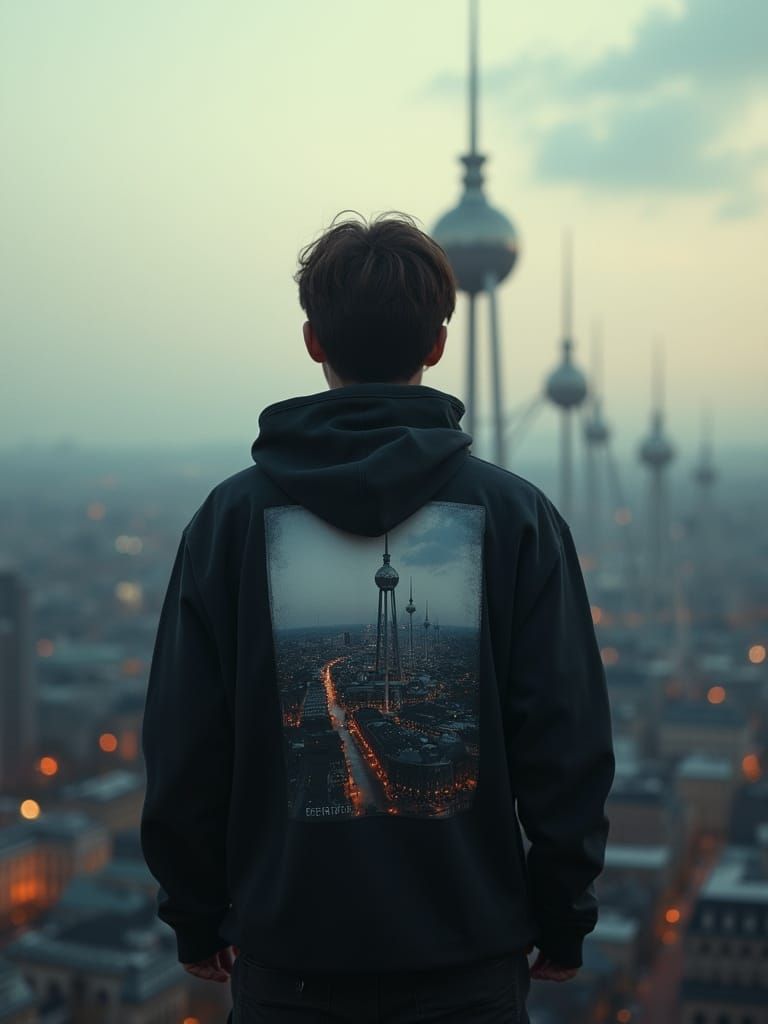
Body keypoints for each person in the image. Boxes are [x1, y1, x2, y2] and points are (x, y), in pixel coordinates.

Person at [140, 212, 616, 1023]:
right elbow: (566, 741)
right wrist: (563, 915)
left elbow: (186, 740)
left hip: (289, 963)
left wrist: (195, 908)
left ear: (312, 341)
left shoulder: (228, 521)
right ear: (436, 346)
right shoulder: (517, 516)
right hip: (468, 961)